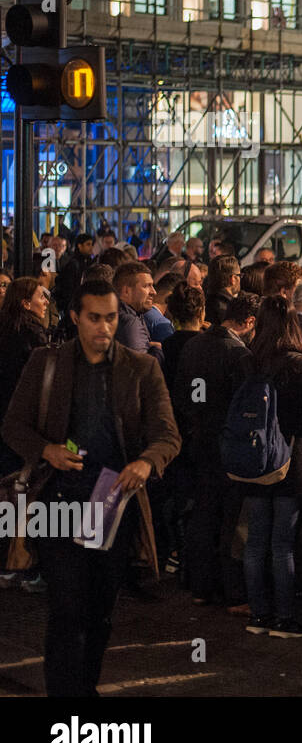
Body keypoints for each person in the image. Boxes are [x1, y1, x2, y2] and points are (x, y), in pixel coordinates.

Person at [1, 278, 181, 696]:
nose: (103, 327)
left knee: (99, 611)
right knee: (67, 607)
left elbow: (168, 435)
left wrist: (145, 461)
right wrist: (46, 450)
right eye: (94, 318)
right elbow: (12, 425)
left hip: (110, 501)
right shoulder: (47, 363)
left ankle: (83, 687)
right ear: (76, 318)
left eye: (111, 318)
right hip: (58, 500)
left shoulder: (141, 368)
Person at [240, 295, 302, 640]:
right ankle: (285, 618)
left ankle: (259, 613)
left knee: (256, 540)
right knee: (283, 543)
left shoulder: (249, 360)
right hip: (287, 459)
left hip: (254, 459)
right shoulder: (299, 363)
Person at [175, 293, 258, 610]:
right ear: (249, 322)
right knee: (230, 517)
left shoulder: (194, 345)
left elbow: (183, 395)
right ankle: (232, 590)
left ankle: (200, 585)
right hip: (228, 445)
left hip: (199, 441)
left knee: (203, 513)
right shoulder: (238, 354)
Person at [0, 278, 51, 475]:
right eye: (41, 297)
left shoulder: (5, 327)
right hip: (23, 413)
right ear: (26, 304)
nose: (46, 302)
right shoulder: (33, 334)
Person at [204, 255, 241, 325]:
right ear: (233, 279)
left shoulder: (204, 303)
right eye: (239, 275)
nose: (240, 279)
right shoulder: (230, 310)